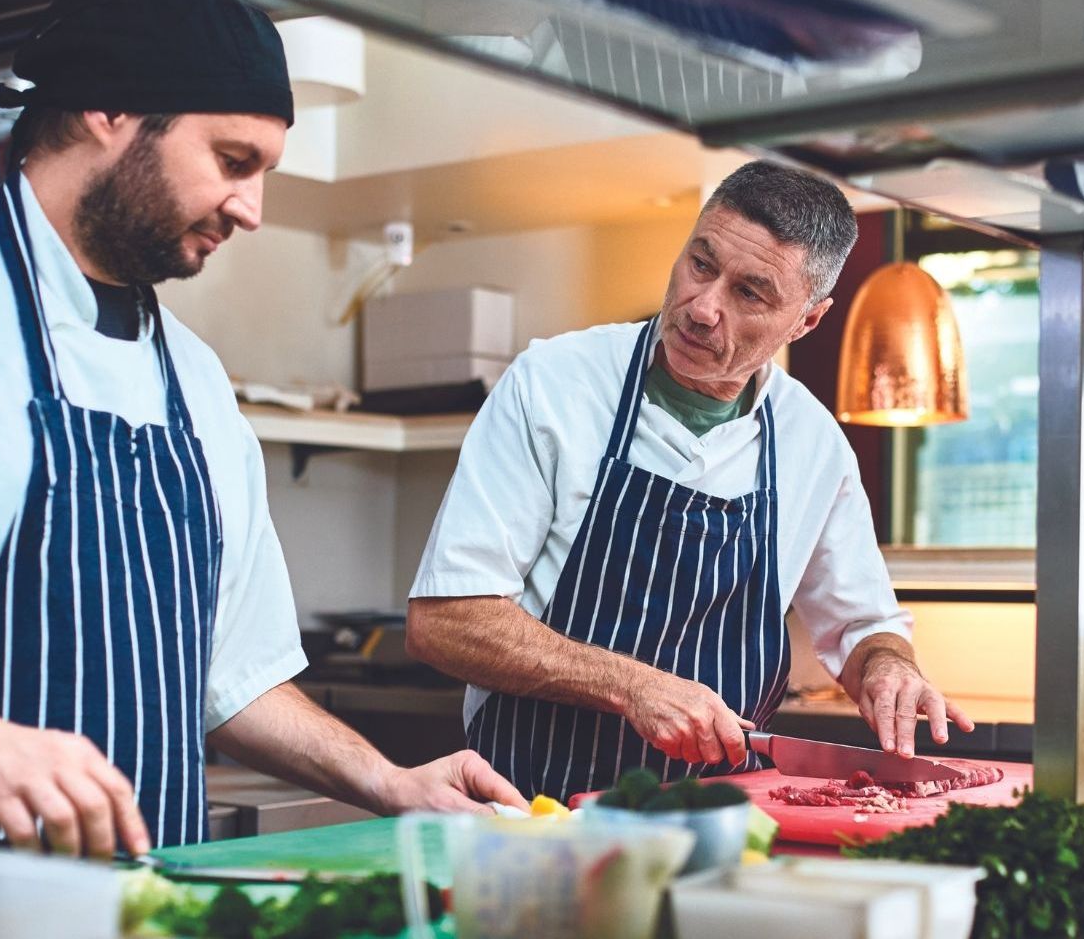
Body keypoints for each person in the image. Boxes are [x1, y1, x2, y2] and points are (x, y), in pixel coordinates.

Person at [0, 0, 522, 887]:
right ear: (109, 107)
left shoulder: (195, 381)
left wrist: (390, 780)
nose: (253, 209)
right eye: (232, 159)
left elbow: (234, 678)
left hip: (139, 907)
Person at [406, 160, 972, 802]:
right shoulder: (554, 384)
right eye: (701, 264)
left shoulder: (812, 442)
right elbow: (446, 619)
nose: (703, 308)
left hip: (720, 823)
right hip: (532, 810)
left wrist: (890, 667)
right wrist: (635, 687)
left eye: (750, 294)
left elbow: (863, 625)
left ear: (806, 322)